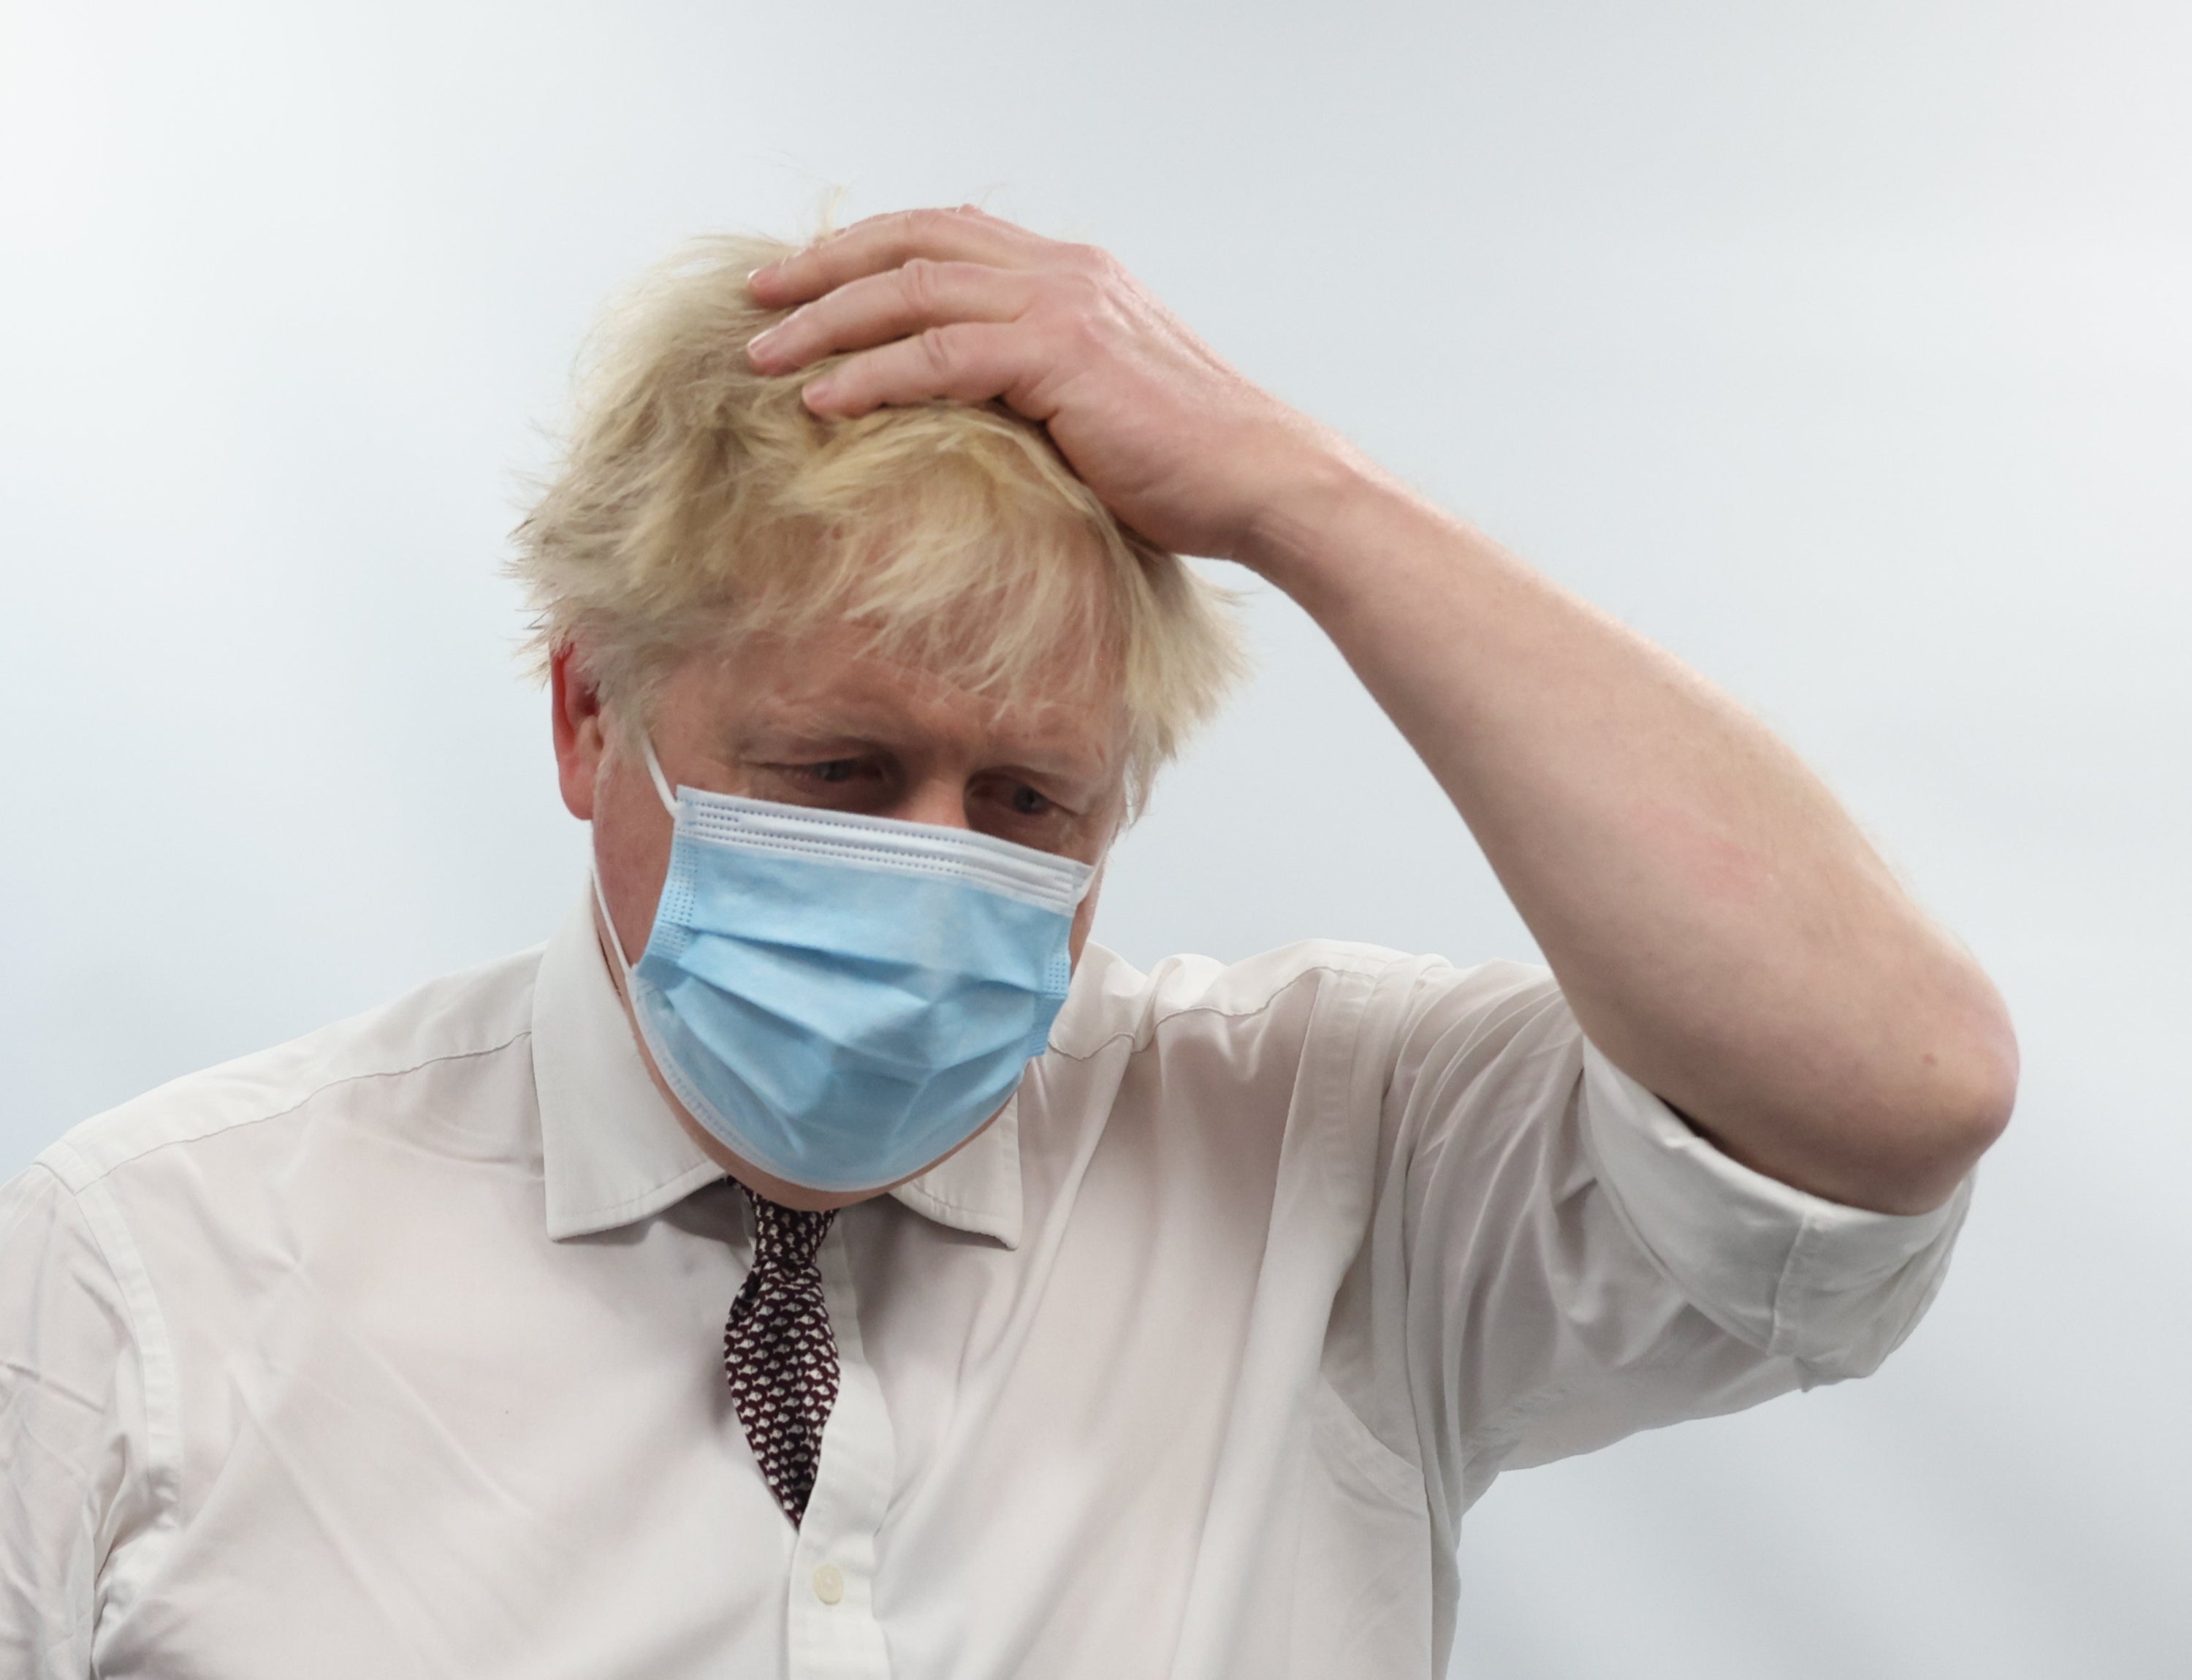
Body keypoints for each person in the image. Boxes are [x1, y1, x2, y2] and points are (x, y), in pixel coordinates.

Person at [0, 208, 2017, 1680]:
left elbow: (1895, 1084)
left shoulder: (1339, 1156)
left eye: (1031, 802)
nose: (931, 868)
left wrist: (1297, 497)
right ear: (586, 719)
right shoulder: (153, 1266)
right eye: (839, 770)